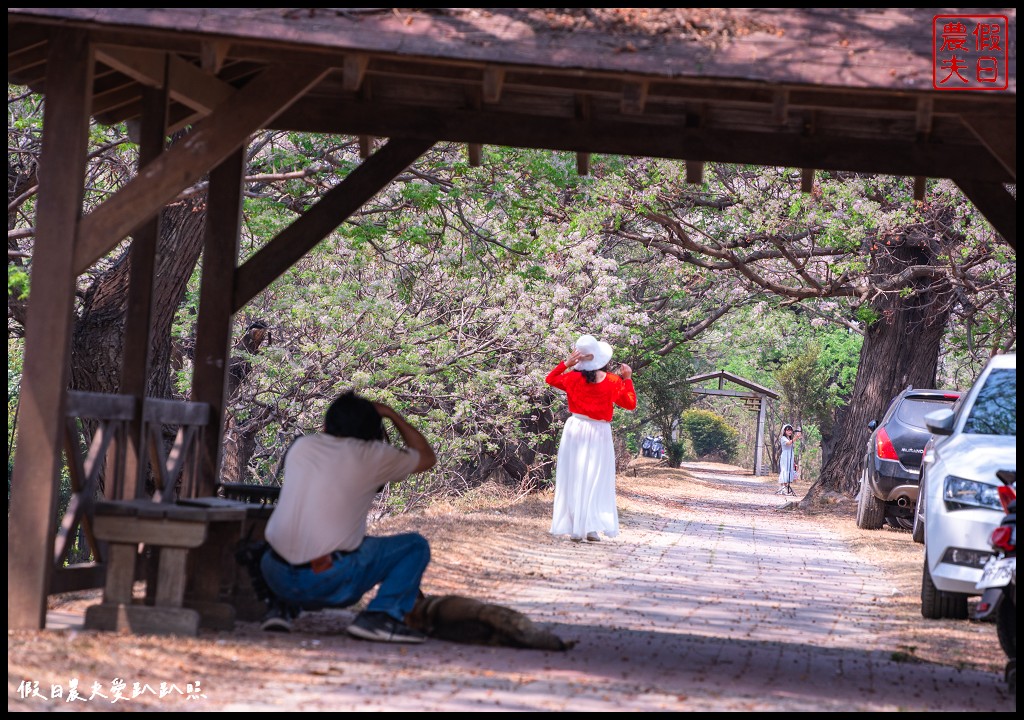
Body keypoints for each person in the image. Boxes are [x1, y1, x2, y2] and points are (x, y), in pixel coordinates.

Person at [258, 390, 437, 642]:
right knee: (414, 546)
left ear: (327, 423)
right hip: (328, 579)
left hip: (274, 574)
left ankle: (281, 607)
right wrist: (391, 414)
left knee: (312, 537)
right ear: (371, 429)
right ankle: (381, 618)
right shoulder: (373, 455)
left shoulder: (303, 446)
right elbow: (427, 458)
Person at [545, 334, 637, 542]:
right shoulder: (613, 382)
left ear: (579, 358)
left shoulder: (571, 378)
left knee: (575, 476)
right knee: (596, 478)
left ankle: (576, 525)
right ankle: (591, 527)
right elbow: (630, 404)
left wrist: (565, 364)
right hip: (599, 432)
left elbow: (550, 379)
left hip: (575, 428)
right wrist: (628, 379)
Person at [777, 424, 800, 496]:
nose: (790, 431)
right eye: (788, 430)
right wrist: (796, 437)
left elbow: (790, 444)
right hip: (785, 456)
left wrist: (793, 462)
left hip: (790, 456)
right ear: (784, 431)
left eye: (790, 430)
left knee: (789, 471)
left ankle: (784, 488)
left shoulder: (789, 438)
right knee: (784, 471)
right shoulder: (783, 438)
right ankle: (783, 488)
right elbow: (788, 443)